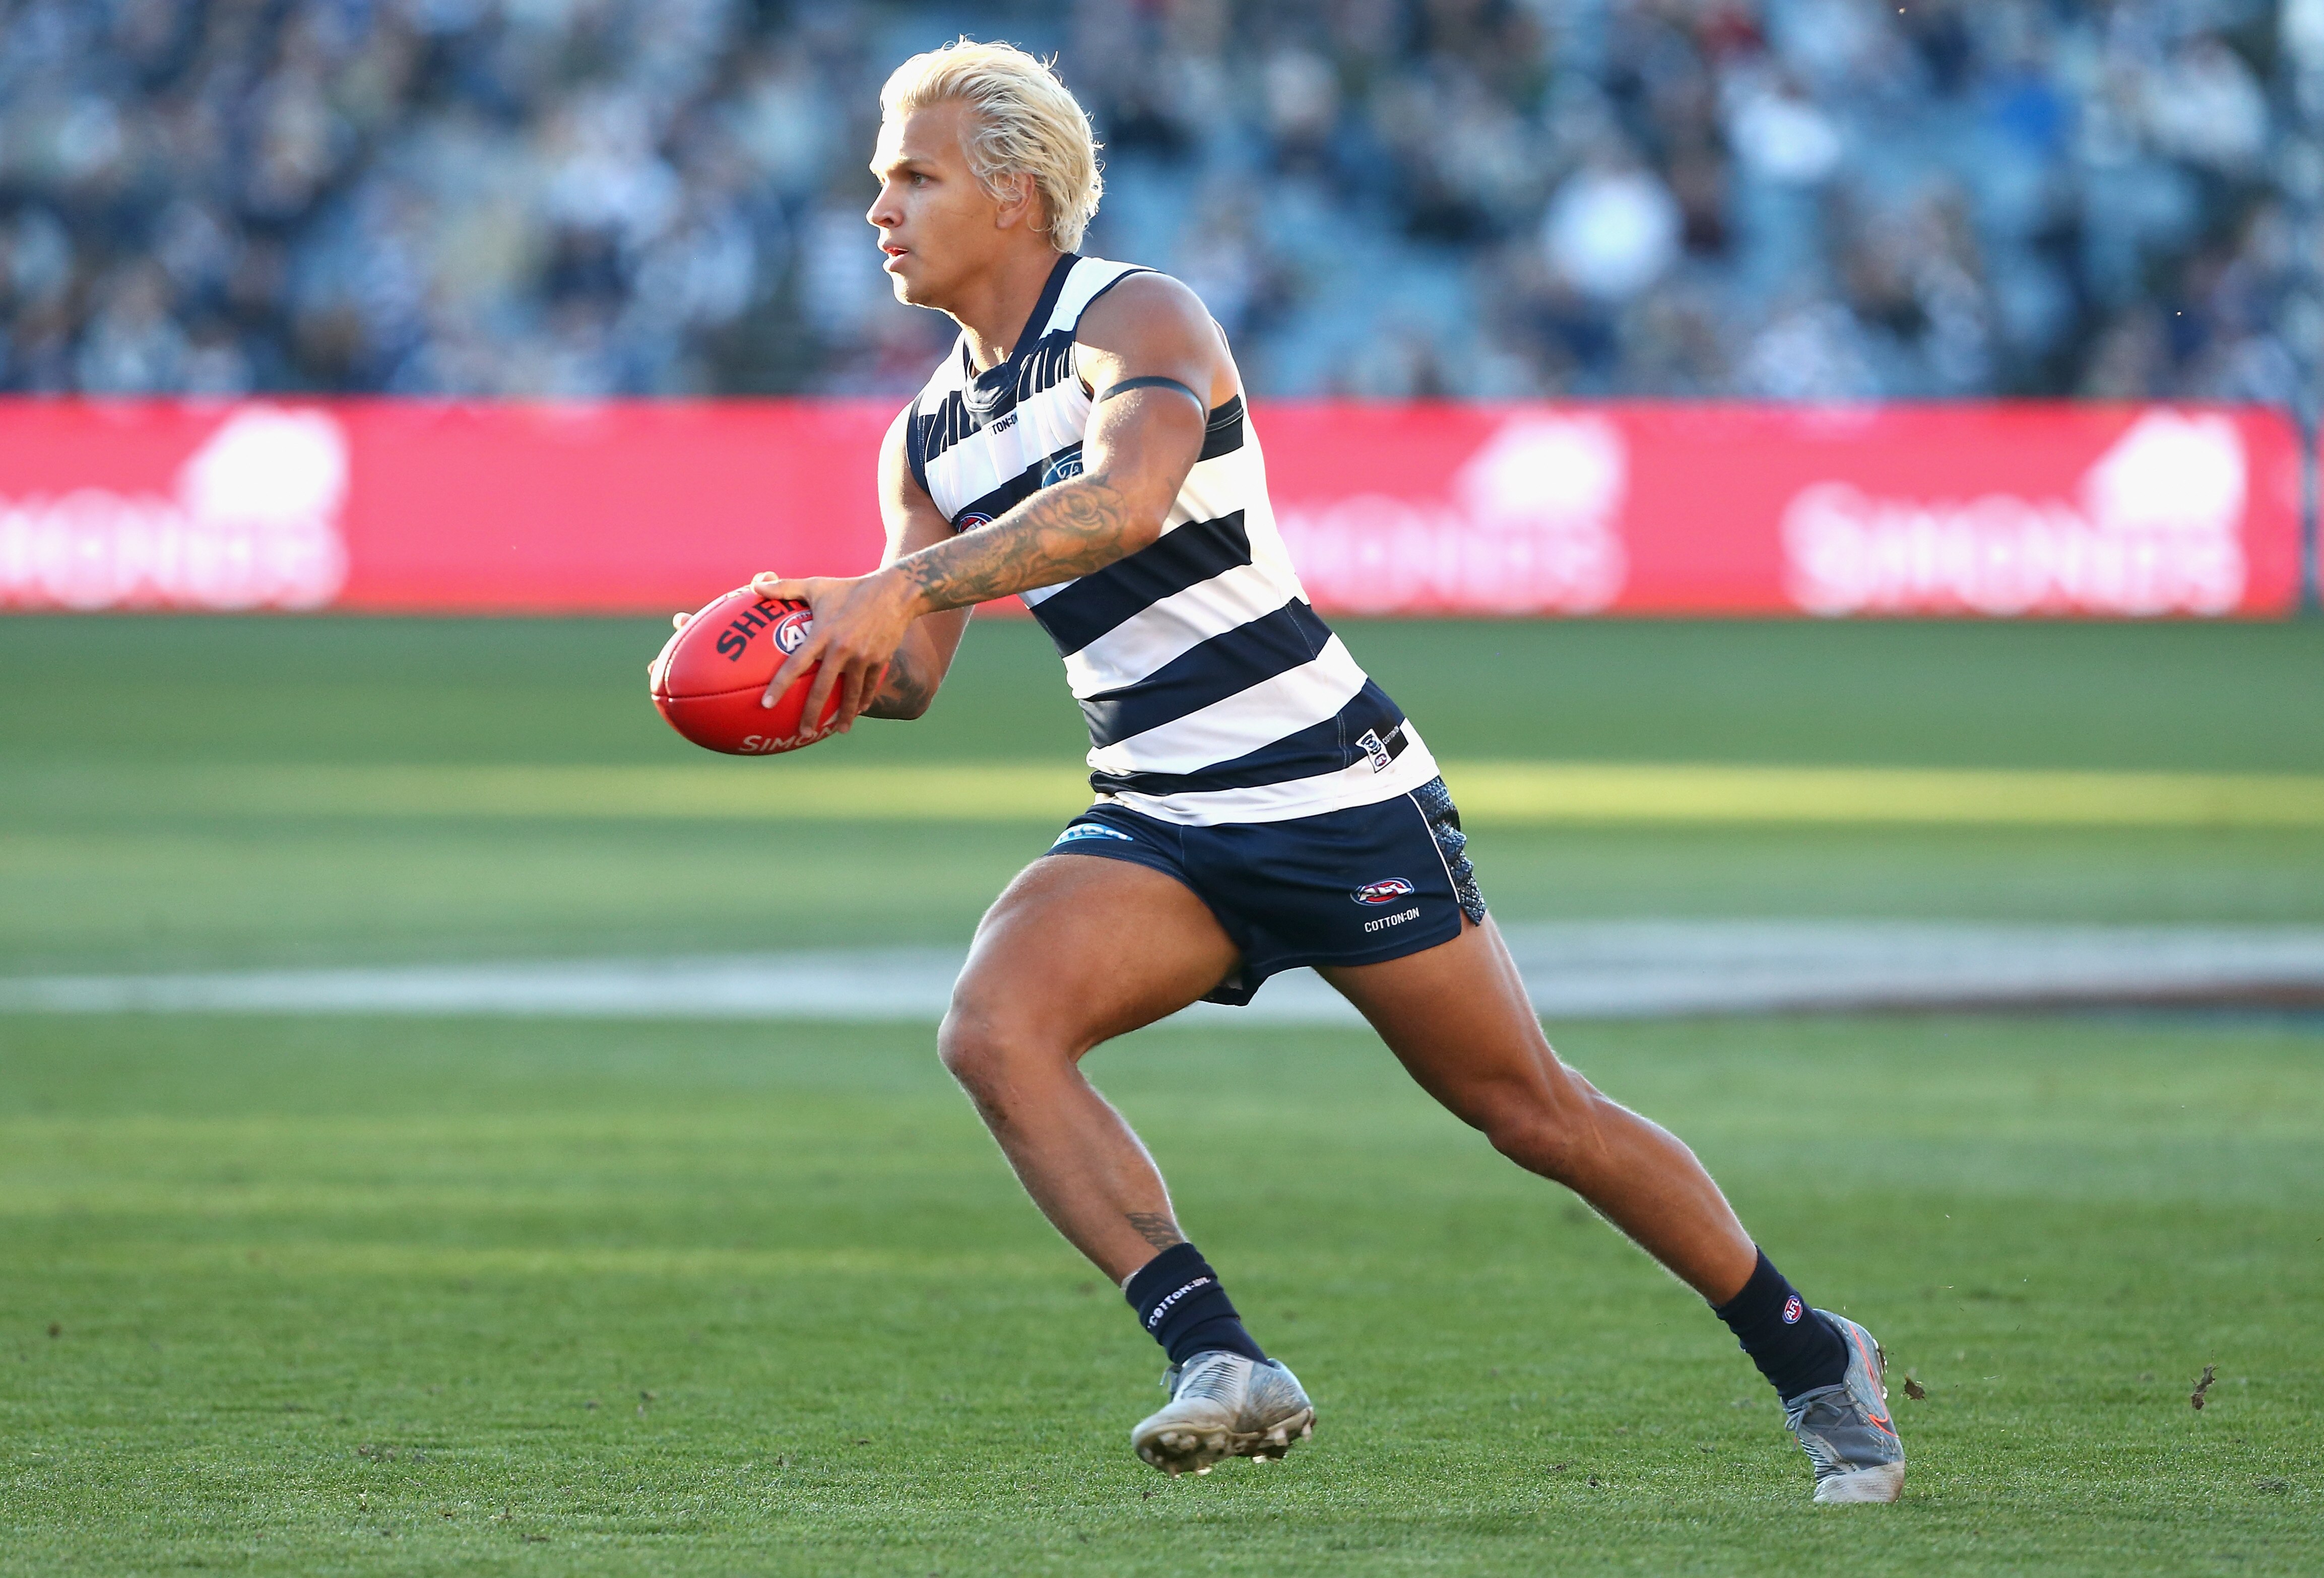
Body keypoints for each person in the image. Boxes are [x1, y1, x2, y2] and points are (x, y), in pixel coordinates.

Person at [740, 39, 1903, 1501]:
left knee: (1530, 1111)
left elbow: (1127, 499)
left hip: (1327, 786)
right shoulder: (922, 434)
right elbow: (906, 677)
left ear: (1017, 193)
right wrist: (797, 648)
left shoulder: (1135, 313)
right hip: (1161, 817)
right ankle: (1219, 1355)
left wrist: (898, 588)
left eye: (912, 175)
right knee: (992, 1026)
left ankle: (1813, 1352)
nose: (880, 206)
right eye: (876, 180)